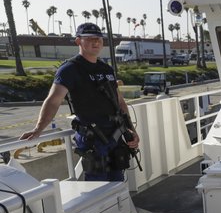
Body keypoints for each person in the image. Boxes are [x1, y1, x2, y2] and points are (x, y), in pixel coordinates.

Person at [21, 22, 139, 183]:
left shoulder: (106, 69)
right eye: (89, 38)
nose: (95, 42)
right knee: (97, 186)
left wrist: (131, 130)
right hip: (94, 139)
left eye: (98, 38)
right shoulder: (70, 69)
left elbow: (119, 102)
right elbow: (53, 100)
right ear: (78, 41)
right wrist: (38, 128)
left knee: (117, 183)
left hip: (115, 136)